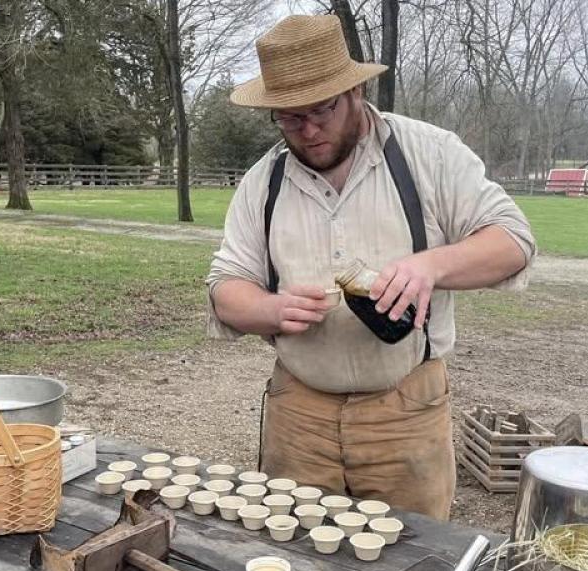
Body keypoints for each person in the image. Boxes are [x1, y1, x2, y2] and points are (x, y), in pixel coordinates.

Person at [206, 15, 536, 520]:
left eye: (322, 110)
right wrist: (269, 309)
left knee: (413, 566)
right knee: (294, 561)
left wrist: (432, 266)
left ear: (356, 90)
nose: (309, 130)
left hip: (405, 412)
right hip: (298, 415)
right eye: (290, 118)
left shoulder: (430, 153)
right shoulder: (262, 181)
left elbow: (512, 241)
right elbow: (226, 287)